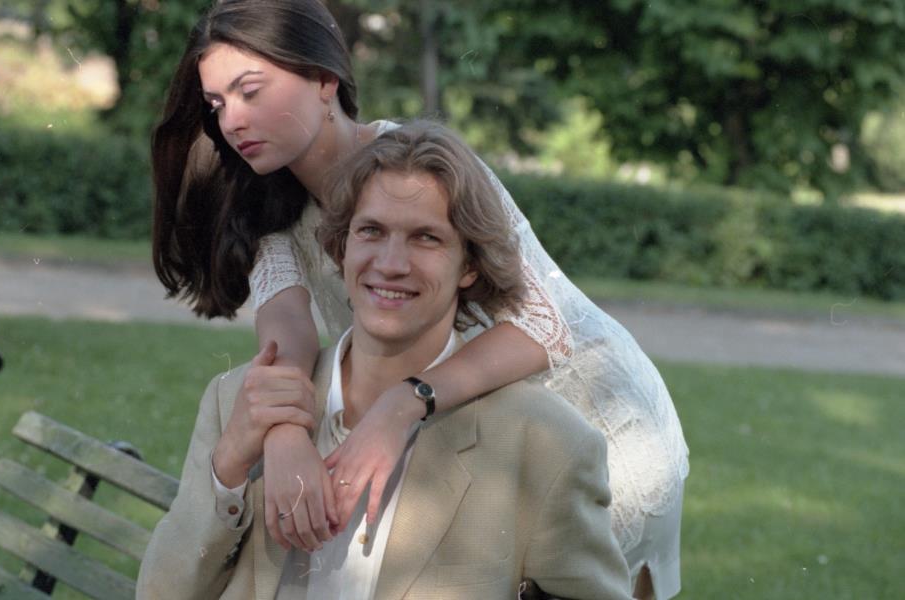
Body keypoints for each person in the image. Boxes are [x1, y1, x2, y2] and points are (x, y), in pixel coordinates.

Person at [151, 1, 688, 597]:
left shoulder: (420, 164)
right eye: (217, 104)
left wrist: (403, 404)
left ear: (324, 80)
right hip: (469, 426)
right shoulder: (269, 208)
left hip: (594, 413)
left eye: (250, 92)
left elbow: (543, 326)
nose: (232, 121)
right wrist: (284, 438)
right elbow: (288, 342)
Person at [138, 121, 632, 599]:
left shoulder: (546, 444)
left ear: (469, 265)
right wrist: (227, 469)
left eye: (426, 238)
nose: (391, 264)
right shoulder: (235, 402)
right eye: (371, 231)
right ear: (341, 247)